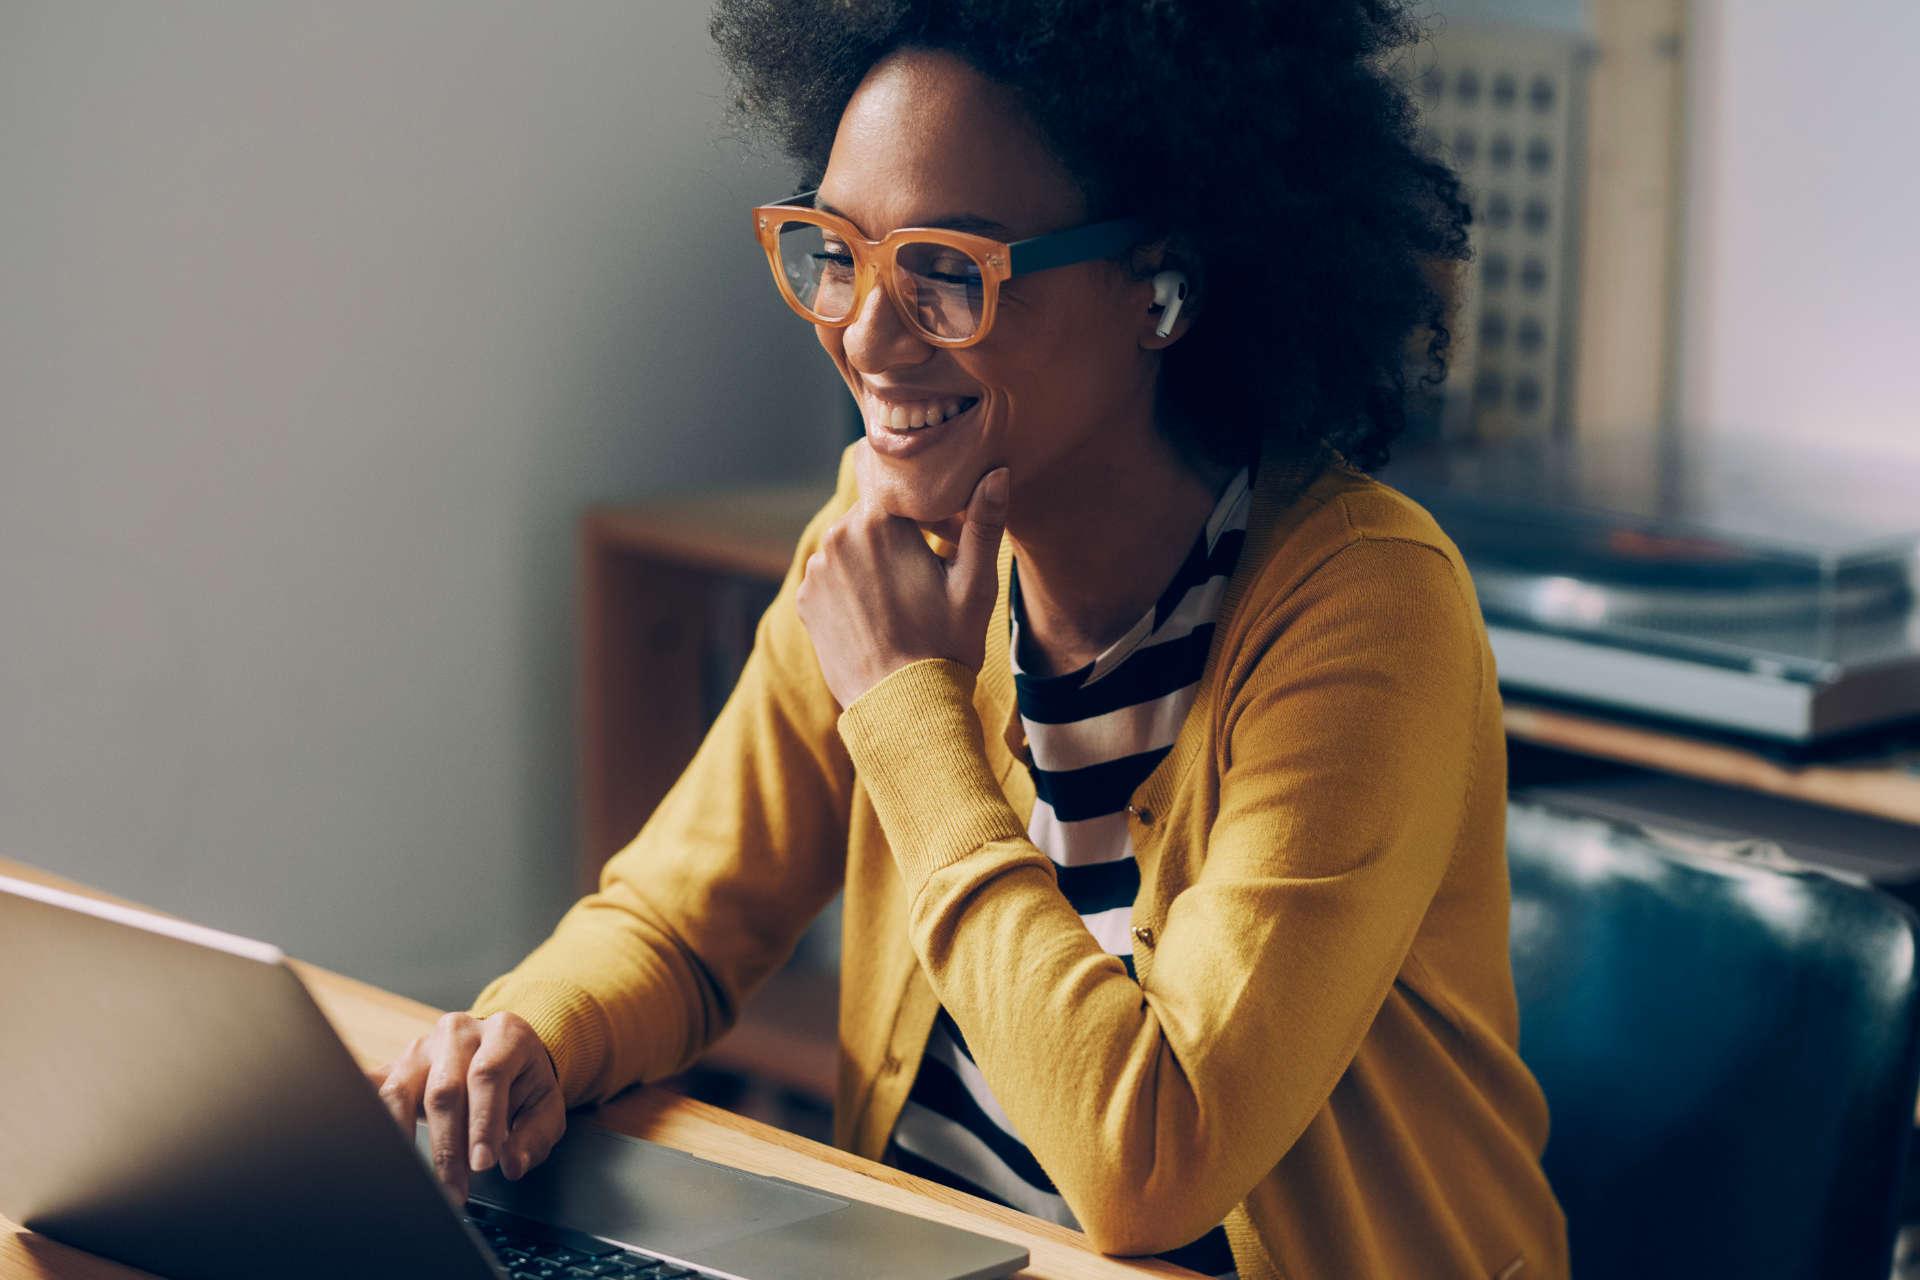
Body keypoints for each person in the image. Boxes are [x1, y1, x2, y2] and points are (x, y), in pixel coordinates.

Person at [371, 3, 1569, 1275]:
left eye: (946, 270)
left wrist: (908, 711)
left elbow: (1149, 1161)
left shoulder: (1363, 610)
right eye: (836, 250)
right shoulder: (882, 532)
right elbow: (678, 918)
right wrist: (528, 1037)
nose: (866, 338)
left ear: (1162, 287)